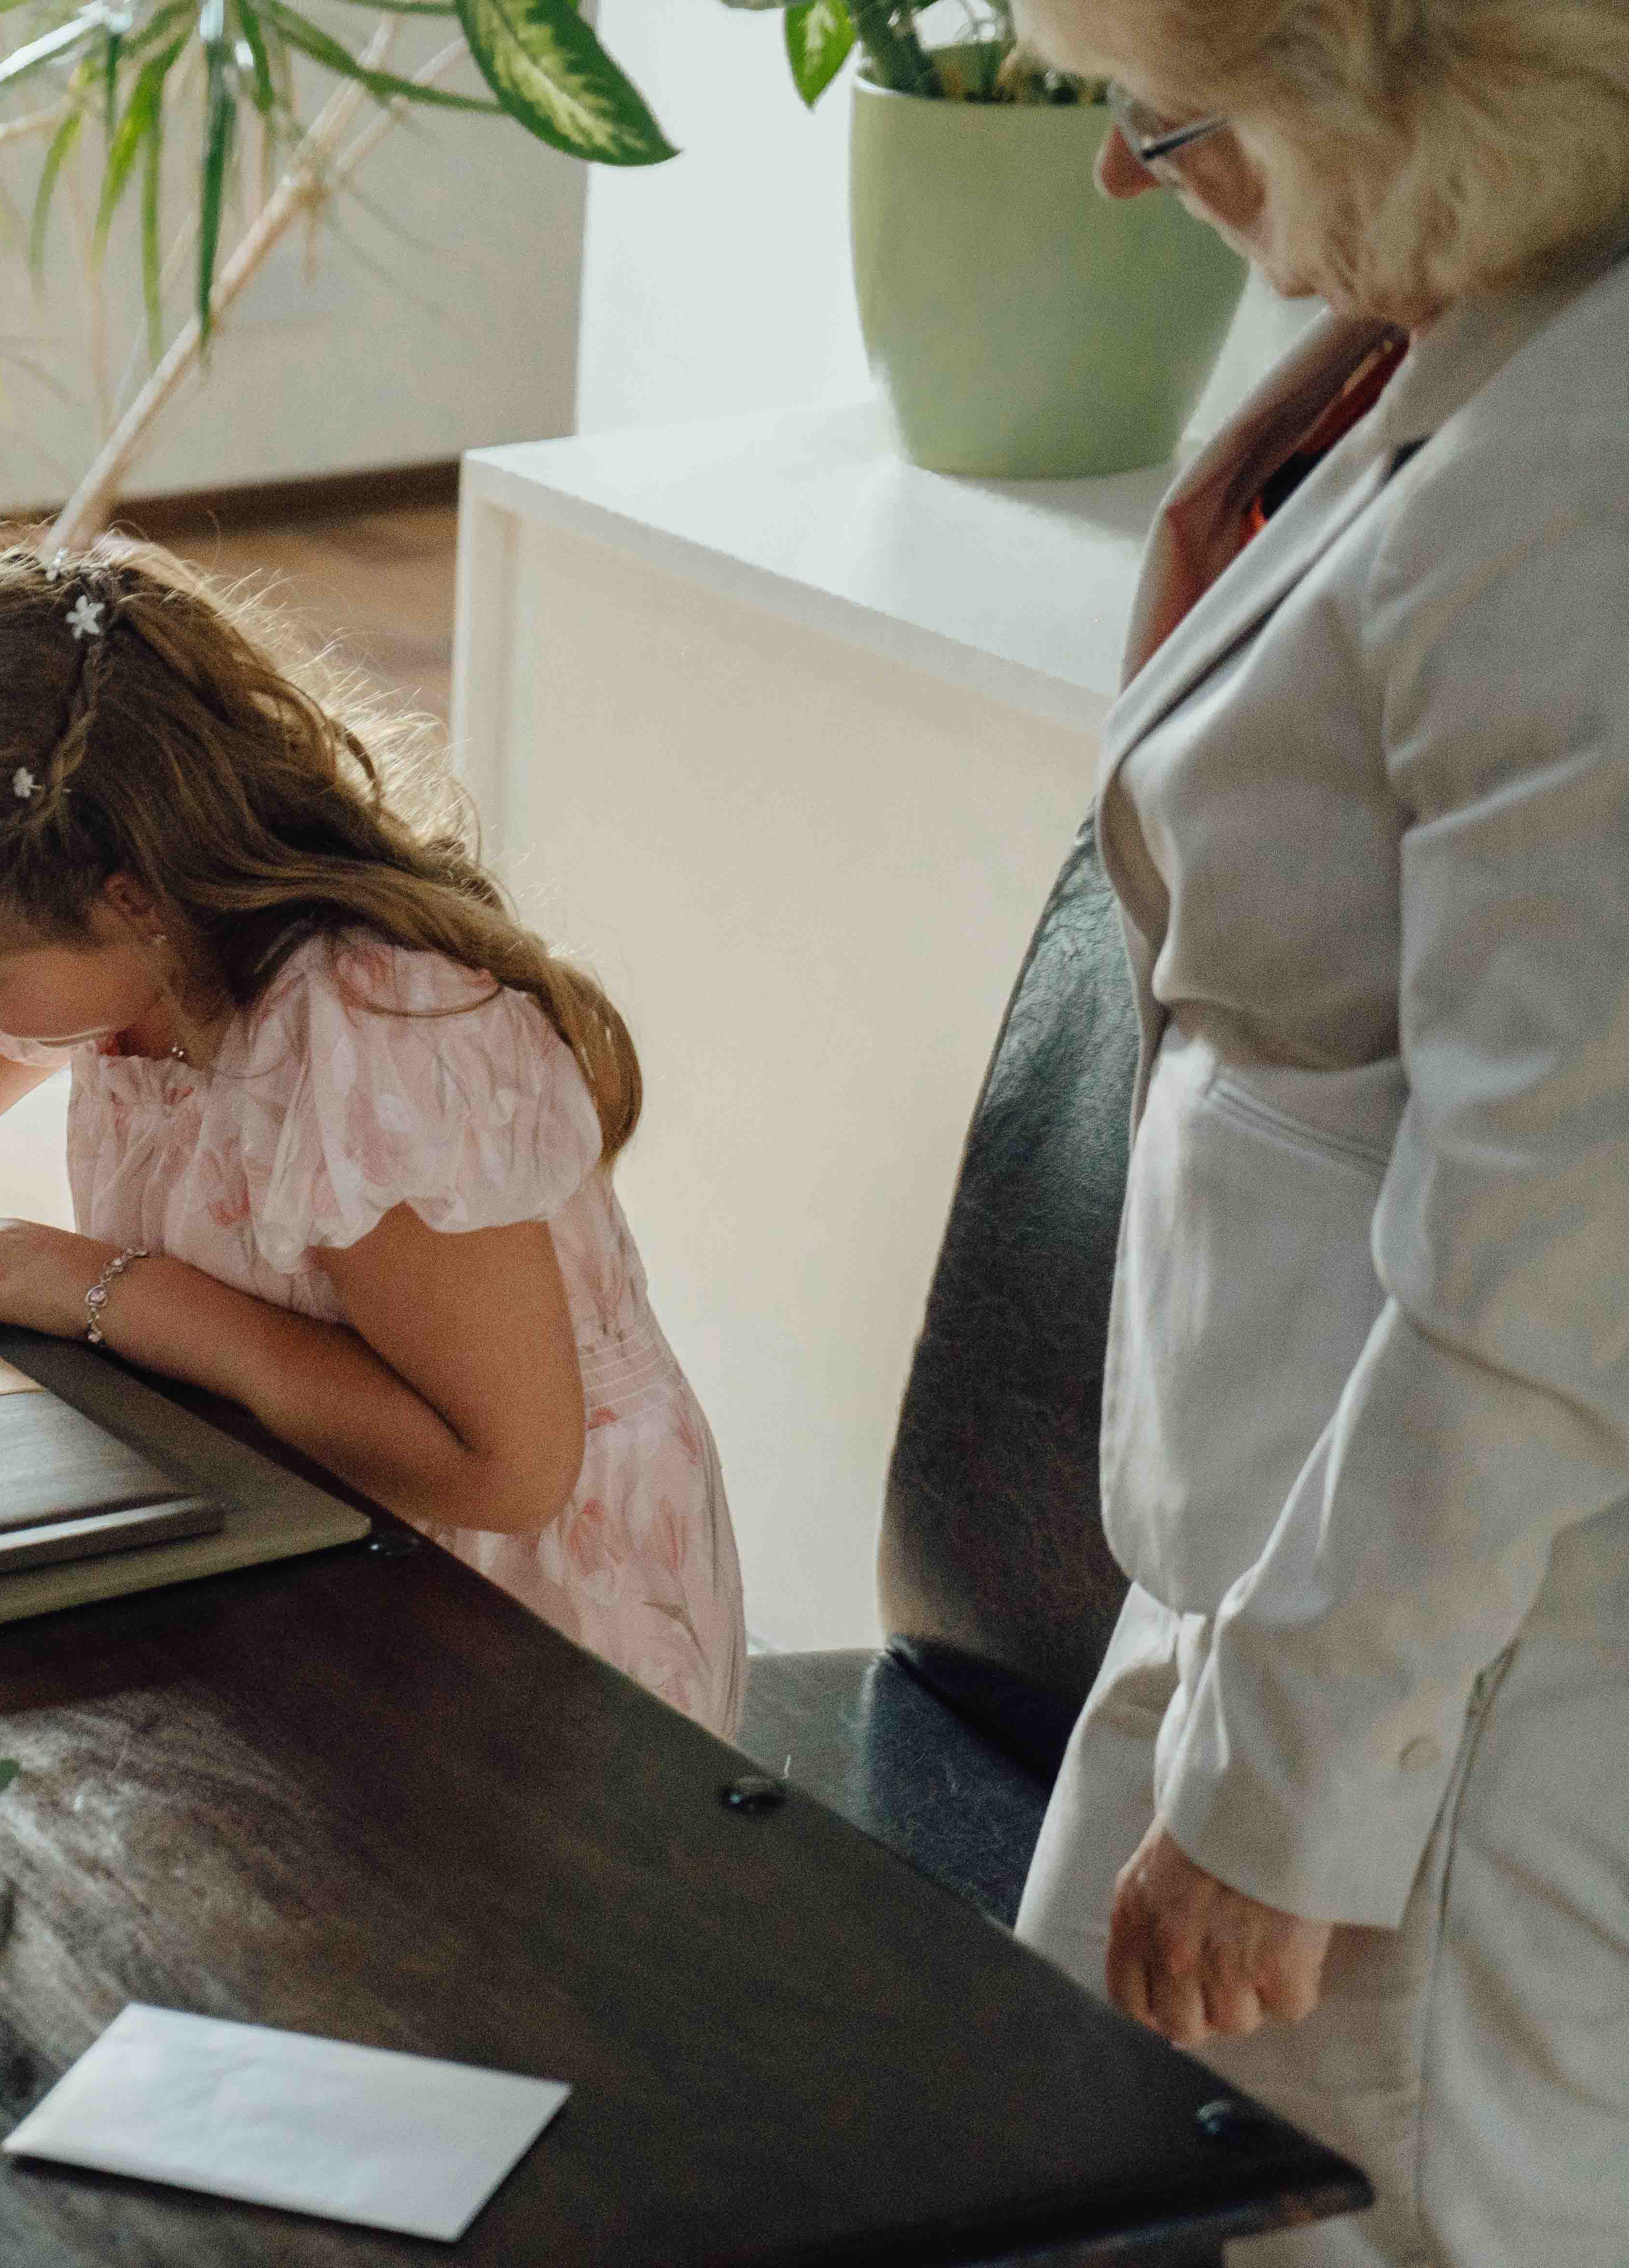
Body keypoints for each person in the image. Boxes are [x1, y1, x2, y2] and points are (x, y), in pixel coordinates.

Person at [1002, 0, 1629, 2258]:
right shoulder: (1484, 301)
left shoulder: (1594, 473)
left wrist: (1287, 1787)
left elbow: (1556, 1242)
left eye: (1166, 125)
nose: (1115, 179)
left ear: (1413, 99)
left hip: (1451, 1693)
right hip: (1268, 1555)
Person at [0, 542, 745, 1734]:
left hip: (516, 1611)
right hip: (295, 1508)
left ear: (129, 899)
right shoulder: (139, 958)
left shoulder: (376, 1048)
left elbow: (501, 1467)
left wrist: (115, 1291)